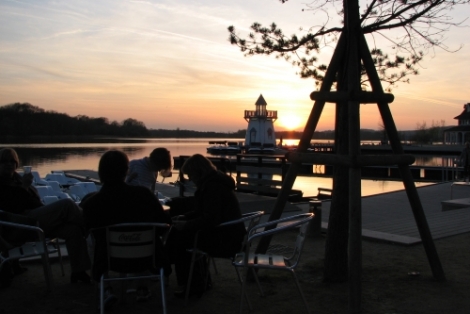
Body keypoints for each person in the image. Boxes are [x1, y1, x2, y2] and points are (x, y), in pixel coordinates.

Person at [81, 150, 172, 306]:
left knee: (92, 239)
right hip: (147, 258)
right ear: (126, 170)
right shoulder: (144, 195)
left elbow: (83, 230)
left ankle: (106, 288)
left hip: (108, 261)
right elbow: (164, 225)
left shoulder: (92, 203)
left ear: (101, 173)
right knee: (144, 234)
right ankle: (142, 287)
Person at [0, 148, 91, 283]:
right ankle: (94, 226)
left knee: (73, 230)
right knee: (67, 205)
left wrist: (27, 187)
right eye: (4, 161)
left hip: (36, 222)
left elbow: (34, 201)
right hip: (19, 224)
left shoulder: (17, 179)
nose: (9, 164)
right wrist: (25, 187)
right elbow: (12, 207)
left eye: (12, 161)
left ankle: (78, 272)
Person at [164, 154, 246, 298]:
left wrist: (187, 224)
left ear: (198, 173)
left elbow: (210, 218)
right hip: (230, 233)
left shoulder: (212, 187)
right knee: (182, 235)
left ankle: (192, 285)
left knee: (183, 240)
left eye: (190, 175)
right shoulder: (215, 183)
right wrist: (185, 217)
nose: (189, 179)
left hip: (226, 240)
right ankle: (197, 282)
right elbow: (204, 211)